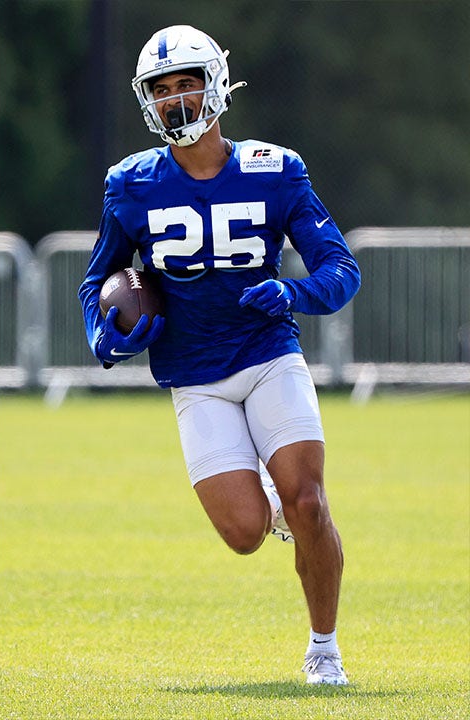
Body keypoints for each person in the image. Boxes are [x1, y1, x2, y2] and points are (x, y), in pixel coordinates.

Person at [77, 24, 361, 686]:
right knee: (243, 532)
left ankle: (325, 649)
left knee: (310, 503)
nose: (175, 100)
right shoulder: (131, 184)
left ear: (215, 86)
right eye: (161, 89)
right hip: (195, 376)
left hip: (267, 354)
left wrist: (291, 292)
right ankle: (267, 494)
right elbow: (99, 280)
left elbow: (340, 268)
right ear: (147, 101)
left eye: (186, 84)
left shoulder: (275, 168)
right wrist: (104, 336)